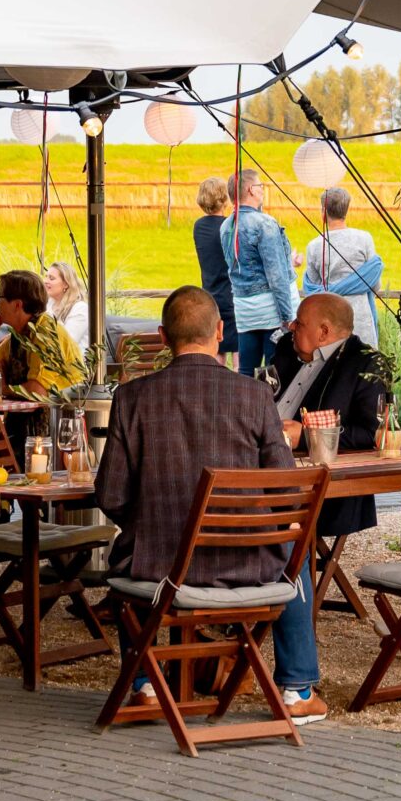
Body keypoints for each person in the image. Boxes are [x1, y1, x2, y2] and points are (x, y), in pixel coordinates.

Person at [93, 287, 323, 721]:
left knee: (126, 547)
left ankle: (145, 686)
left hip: (159, 566)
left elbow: (111, 496)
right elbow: (286, 492)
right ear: (220, 332)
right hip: (247, 563)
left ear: (162, 336)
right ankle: (296, 690)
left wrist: (154, 525)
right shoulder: (254, 396)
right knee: (294, 547)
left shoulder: (131, 398)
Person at [268, 293, 391, 554]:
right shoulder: (286, 351)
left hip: (318, 485)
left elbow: (372, 433)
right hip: (268, 461)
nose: (291, 327)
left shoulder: (365, 363)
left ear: (323, 332)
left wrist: (306, 436)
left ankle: (268, 580)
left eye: (299, 323)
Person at [0, 269, 86, 439]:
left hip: (61, 430)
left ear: (17, 305)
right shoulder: (16, 337)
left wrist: (4, 389)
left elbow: (37, 391)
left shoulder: (45, 331)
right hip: (26, 430)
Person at [220, 169, 298, 376]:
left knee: (246, 368)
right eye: (260, 186)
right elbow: (276, 275)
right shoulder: (264, 224)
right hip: (271, 309)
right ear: (250, 190)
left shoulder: (226, 226)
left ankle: (244, 408)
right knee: (274, 371)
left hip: (245, 308)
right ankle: (271, 409)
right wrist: (288, 315)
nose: (263, 190)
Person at [301, 187, 383, 344]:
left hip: (328, 318)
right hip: (360, 317)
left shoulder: (314, 246)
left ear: (324, 212)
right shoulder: (364, 239)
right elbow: (375, 285)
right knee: (361, 364)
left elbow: (312, 291)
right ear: (346, 209)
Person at [190, 176, 238, 340]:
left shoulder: (199, 226)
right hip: (232, 297)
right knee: (239, 355)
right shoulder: (230, 226)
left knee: (216, 349)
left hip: (210, 296)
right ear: (224, 199)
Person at [44, 261, 93, 354]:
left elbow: (65, 344)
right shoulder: (48, 304)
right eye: (46, 276)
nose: (45, 281)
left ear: (66, 284)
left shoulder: (80, 309)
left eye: (51, 278)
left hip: (75, 365)